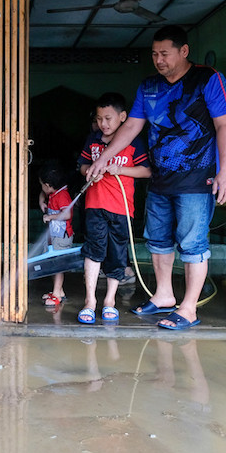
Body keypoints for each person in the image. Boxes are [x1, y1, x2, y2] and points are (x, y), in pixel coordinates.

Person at [86, 25, 226, 331]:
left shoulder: (209, 79)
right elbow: (130, 128)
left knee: (192, 242)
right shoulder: (148, 86)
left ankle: (189, 308)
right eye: (154, 54)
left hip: (197, 178)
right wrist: (102, 158)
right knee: (158, 240)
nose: (159, 60)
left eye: (164, 53)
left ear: (183, 51)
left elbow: (224, 126)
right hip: (160, 178)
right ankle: (164, 295)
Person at [76, 92, 151, 325]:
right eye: (99, 119)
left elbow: (146, 171)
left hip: (122, 208)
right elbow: (81, 165)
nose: (103, 124)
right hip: (95, 204)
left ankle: (109, 301)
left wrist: (120, 171)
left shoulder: (133, 143)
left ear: (123, 117)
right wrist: (90, 172)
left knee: (117, 253)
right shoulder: (93, 140)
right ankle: (90, 301)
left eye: (108, 119)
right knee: (93, 250)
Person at [38, 161, 75, 309]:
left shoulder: (62, 196)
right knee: (53, 263)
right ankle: (59, 291)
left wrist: (50, 217)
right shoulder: (53, 192)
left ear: (48, 185)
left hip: (62, 237)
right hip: (55, 236)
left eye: (42, 185)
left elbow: (67, 214)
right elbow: (43, 193)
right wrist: (42, 202)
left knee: (58, 266)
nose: (41, 188)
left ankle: (56, 294)